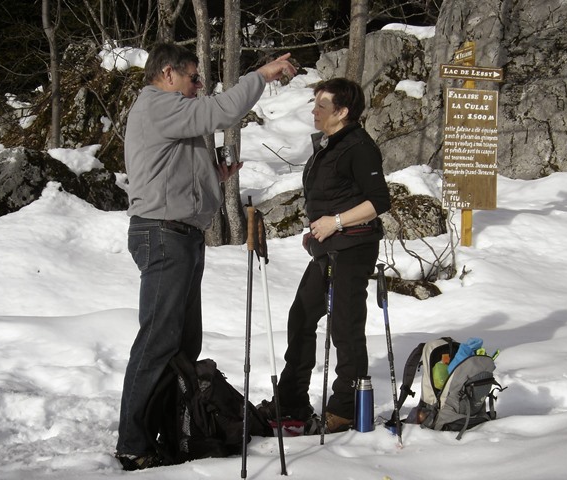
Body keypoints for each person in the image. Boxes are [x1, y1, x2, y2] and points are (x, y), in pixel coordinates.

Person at [115, 43, 296, 471]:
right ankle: (132, 443)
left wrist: (216, 176)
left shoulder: (172, 112)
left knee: (183, 345)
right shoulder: (157, 105)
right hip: (161, 234)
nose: (199, 85)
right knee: (158, 341)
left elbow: (171, 171)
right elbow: (219, 112)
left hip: (181, 236)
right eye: (194, 77)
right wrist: (263, 75)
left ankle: (168, 430)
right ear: (167, 74)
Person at [258, 78, 391, 434]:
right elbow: (334, 195)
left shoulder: (359, 146)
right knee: (300, 317)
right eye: (314, 104)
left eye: (322, 106)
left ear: (342, 112)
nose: (314, 111)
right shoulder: (330, 145)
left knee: (346, 330)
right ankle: (291, 401)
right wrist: (318, 230)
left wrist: (335, 222)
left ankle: (345, 410)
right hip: (328, 248)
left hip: (353, 248)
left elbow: (379, 201)